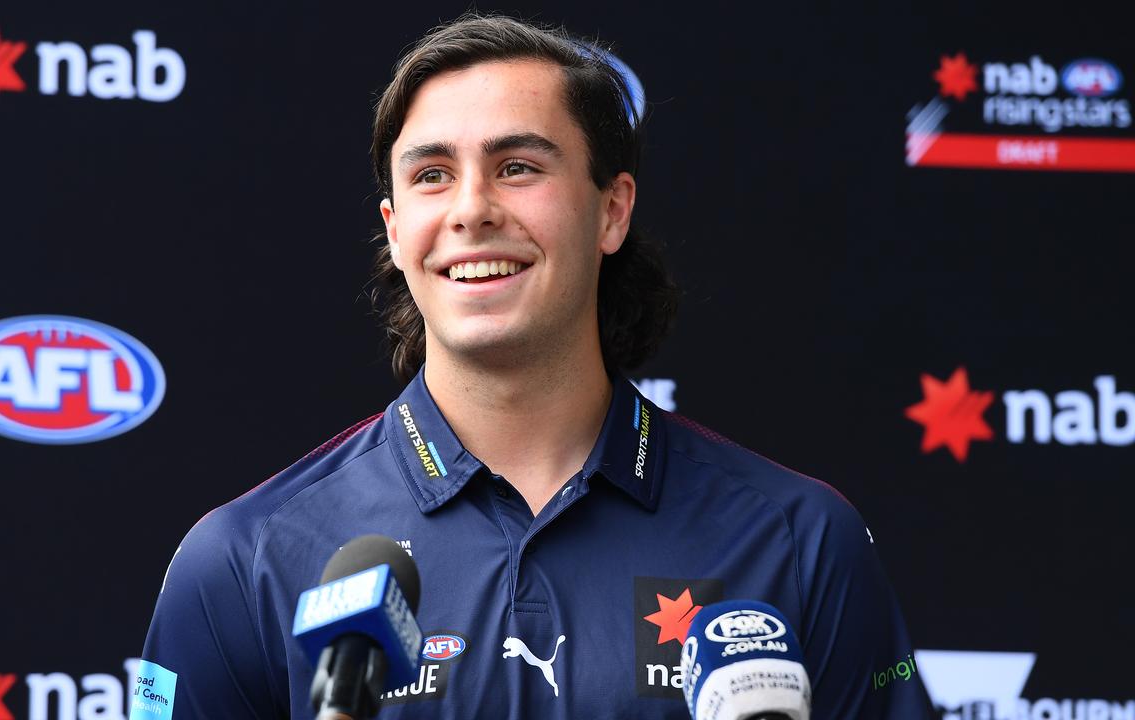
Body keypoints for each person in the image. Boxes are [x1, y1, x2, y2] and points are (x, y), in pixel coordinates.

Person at [131, 14, 933, 719]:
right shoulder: (243, 558)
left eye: (518, 166)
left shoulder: (798, 540)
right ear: (396, 227)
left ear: (612, 210)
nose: (471, 209)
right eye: (431, 175)